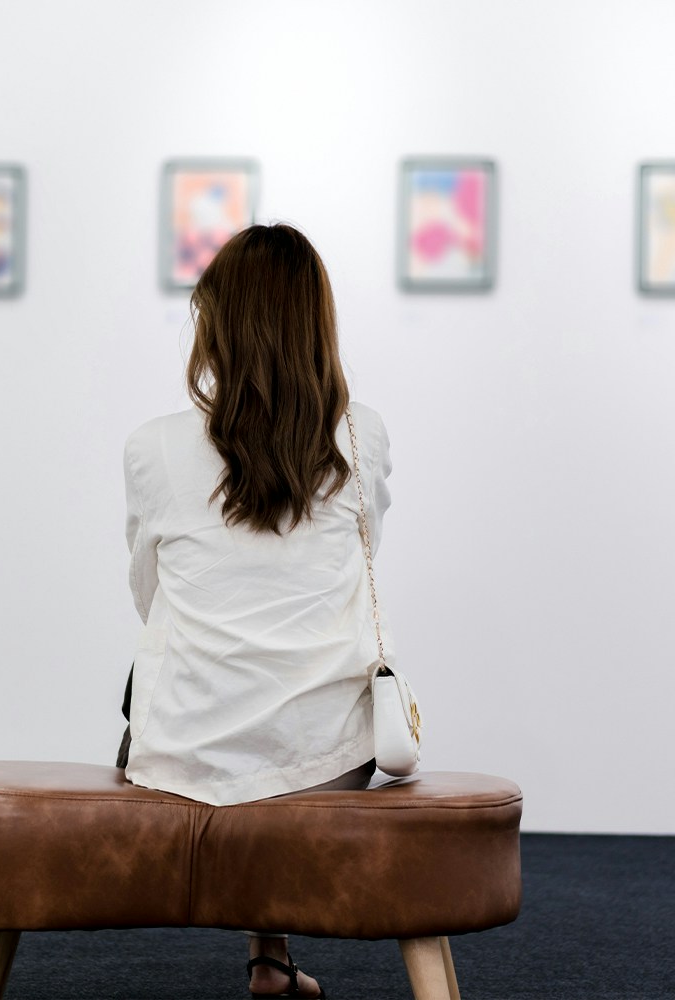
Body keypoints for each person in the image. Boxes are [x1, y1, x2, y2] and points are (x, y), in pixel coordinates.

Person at [118, 223, 394, 999]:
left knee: (210, 704)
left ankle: (268, 959)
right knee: (289, 716)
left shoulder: (154, 447)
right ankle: (270, 963)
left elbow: (150, 595)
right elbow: (359, 572)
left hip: (187, 752)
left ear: (217, 328)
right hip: (332, 765)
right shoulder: (360, 436)